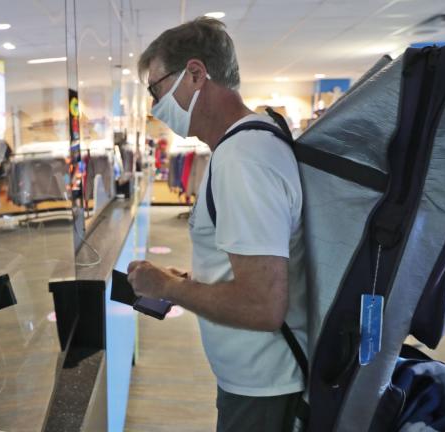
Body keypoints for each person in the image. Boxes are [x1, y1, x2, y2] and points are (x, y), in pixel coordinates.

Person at [128, 17, 307, 431]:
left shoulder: (244, 159)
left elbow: (263, 306)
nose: (155, 107)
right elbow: (250, 270)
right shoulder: (240, 147)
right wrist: (195, 281)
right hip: (256, 383)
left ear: (195, 73)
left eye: (156, 89)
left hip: (266, 389)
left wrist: (167, 288)